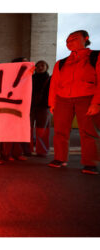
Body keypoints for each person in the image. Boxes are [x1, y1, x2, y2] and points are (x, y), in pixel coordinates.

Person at [48, 30, 100, 175]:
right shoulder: (61, 63)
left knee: (89, 132)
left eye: (74, 39)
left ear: (86, 38)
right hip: (63, 99)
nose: (70, 42)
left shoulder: (96, 57)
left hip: (87, 97)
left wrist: (97, 102)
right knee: (60, 131)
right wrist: (52, 103)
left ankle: (90, 163)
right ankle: (60, 158)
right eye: (67, 41)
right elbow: (54, 84)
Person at [30, 60, 51, 157]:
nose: (40, 67)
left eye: (42, 65)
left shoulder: (50, 79)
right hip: (31, 106)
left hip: (44, 107)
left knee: (42, 130)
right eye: (37, 65)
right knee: (28, 129)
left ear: (47, 67)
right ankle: (27, 150)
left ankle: (42, 151)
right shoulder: (30, 78)